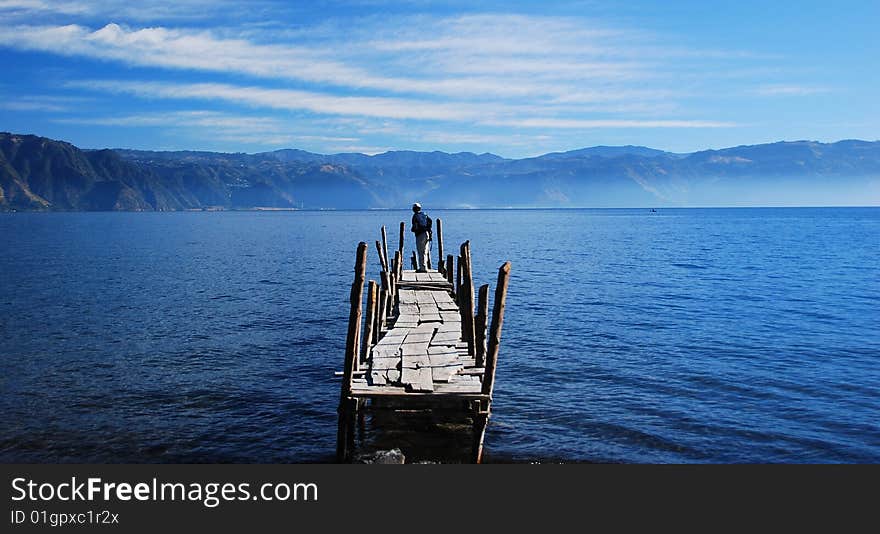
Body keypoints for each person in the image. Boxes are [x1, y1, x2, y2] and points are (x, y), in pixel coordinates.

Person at [411, 202, 432, 272]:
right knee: (425, 251)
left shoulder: (415, 216)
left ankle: (422, 268)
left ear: (414, 209)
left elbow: (415, 227)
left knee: (420, 251)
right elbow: (429, 223)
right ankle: (425, 266)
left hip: (420, 235)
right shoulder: (425, 214)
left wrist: (413, 229)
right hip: (427, 234)